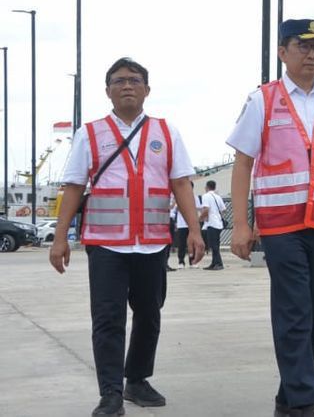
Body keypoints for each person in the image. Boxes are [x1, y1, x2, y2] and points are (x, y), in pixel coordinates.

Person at [48, 57, 206, 417]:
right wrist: (60, 238)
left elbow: (181, 182)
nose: (127, 86)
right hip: (105, 245)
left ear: (147, 90)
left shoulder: (167, 133)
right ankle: (110, 393)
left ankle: (137, 378)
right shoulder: (89, 134)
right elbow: (74, 187)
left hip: (152, 243)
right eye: (119, 81)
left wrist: (194, 231)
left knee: (150, 314)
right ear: (108, 91)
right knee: (108, 318)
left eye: (135, 80)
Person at [226, 19, 314, 417]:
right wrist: (241, 223)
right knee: (294, 309)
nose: (312, 54)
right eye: (303, 46)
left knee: (305, 311)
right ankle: (306, 401)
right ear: (282, 52)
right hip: (281, 224)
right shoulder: (264, 100)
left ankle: (287, 402)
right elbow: (243, 163)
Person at [199, 180, 226, 270]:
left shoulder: (206, 196)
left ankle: (219, 263)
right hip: (218, 223)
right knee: (215, 244)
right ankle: (214, 263)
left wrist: (200, 218)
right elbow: (223, 210)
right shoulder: (218, 197)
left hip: (211, 223)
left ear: (207, 187)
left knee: (213, 245)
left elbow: (206, 209)